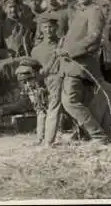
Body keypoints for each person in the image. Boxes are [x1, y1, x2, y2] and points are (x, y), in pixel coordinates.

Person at [56, 0, 109, 145]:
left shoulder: (95, 10)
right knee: (81, 101)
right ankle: (83, 133)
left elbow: (93, 38)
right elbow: (73, 35)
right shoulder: (78, 11)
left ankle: (98, 135)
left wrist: (69, 51)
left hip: (81, 65)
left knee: (69, 102)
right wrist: (62, 43)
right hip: (70, 64)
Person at [30, 12, 66, 146]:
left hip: (57, 79)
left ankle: (49, 140)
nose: (48, 30)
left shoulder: (61, 45)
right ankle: (40, 138)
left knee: (54, 108)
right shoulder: (36, 50)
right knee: (41, 109)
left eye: (51, 27)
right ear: (41, 29)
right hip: (41, 83)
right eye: (45, 27)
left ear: (55, 28)